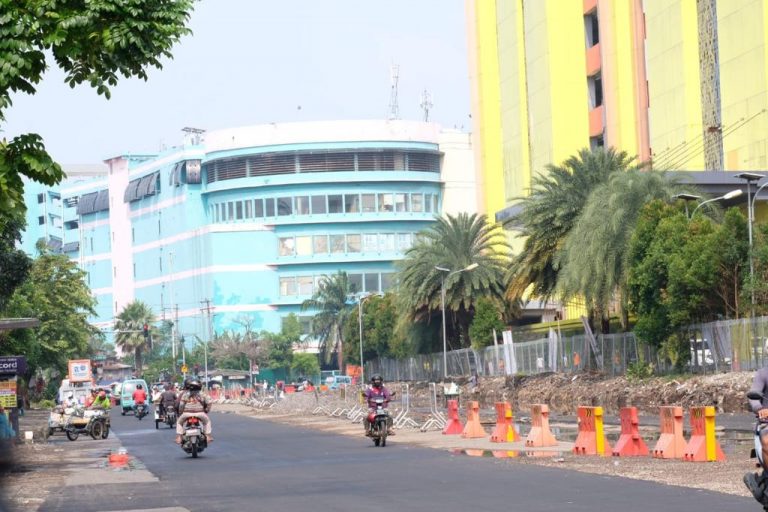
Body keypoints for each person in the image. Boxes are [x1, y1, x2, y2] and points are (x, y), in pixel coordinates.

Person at [746, 367, 768, 503]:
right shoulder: (763, 374)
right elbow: (753, 398)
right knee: (767, 439)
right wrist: (759, 409)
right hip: (767, 423)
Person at [175, 379, 213, 444]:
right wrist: (207, 410)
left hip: (187, 413)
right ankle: (208, 436)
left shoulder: (185, 394)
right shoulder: (203, 394)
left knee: (179, 422)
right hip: (200, 413)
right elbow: (209, 402)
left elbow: (181, 405)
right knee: (207, 422)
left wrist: (180, 413)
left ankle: (179, 437)